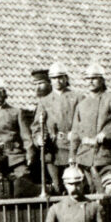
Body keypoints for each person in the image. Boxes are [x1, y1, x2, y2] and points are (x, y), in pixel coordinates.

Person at [71, 61, 111, 192]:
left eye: (94, 78)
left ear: (102, 80)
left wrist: (106, 133)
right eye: (88, 78)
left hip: (105, 156)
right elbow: (76, 132)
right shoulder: (81, 105)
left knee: (108, 194)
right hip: (84, 158)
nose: (90, 81)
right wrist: (72, 157)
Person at [37, 62, 81, 194]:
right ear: (50, 80)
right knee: (57, 187)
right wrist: (39, 137)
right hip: (53, 150)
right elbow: (37, 126)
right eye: (54, 78)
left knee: (74, 184)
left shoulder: (78, 97)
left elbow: (83, 122)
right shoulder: (44, 101)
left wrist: (76, 133)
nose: (58, 81)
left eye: (61, 77)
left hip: (73, 148)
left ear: (66, 78)